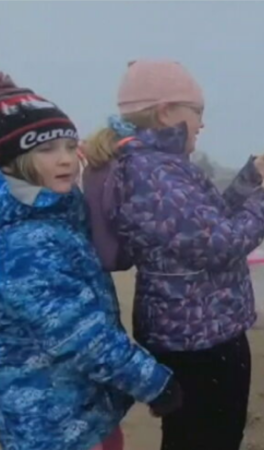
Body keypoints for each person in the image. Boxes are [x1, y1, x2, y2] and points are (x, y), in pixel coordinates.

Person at [82, 60, 264, 450]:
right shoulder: (151, 172)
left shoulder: (160, 167)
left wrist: (249, 180)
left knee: (196, 435)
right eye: (197, 112)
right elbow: (221, 244)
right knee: (208, 438)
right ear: (165, 112)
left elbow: (205, 225)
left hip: (195, 328)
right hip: (199, 338)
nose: (202, 123)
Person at [0, 73, 180, 450]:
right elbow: (82, 336)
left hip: (77, 408)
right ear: (10, 162)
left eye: (69, 146)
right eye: (47, 150)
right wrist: (154, 383)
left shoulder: (52, 215)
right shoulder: (23, 243)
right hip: (51, 424)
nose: (66, 160)